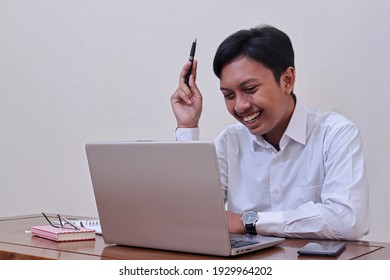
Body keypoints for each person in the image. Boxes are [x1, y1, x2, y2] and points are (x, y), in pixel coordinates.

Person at [170, 25, 369, 240]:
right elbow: (190, 214)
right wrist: (187, 126)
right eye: (228, 95)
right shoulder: (230, 142)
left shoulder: (336, 134)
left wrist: (248, 222)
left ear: (287, 80)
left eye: (250, 89)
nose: (240, 106)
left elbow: (348, 221)